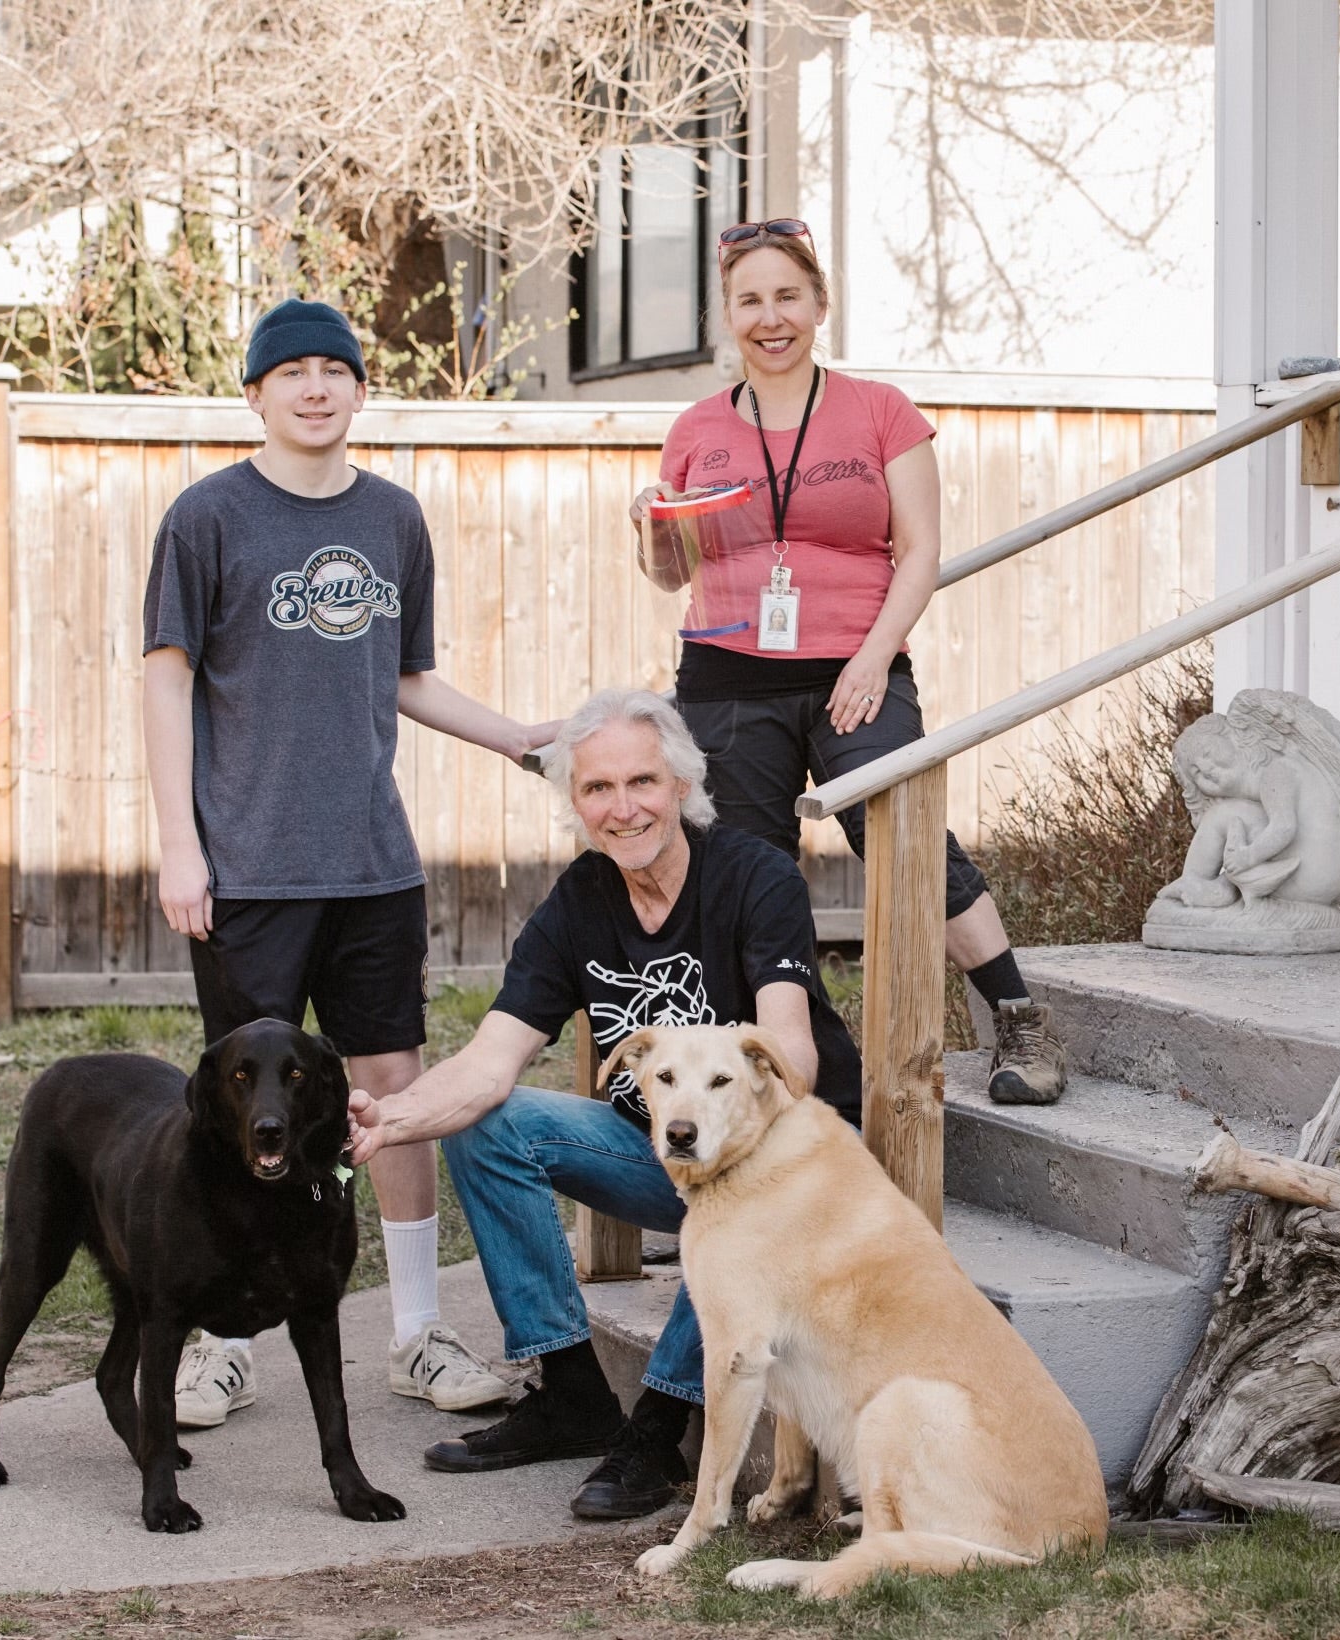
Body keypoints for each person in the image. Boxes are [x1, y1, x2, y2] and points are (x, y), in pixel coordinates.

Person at [142, 298, 556, 1429]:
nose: (316, 388)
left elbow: (406, 677)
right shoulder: (207, 517)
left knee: (391, 1097)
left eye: (336, 369)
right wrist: (182, 845)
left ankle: (417, 1331)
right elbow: (166, 678)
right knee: (246, 1117)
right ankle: (224, 1342)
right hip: (248, 873)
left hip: (373, 866)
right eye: (293, 372)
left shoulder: (393, 519)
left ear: (360, 388)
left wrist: (519, 736)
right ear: (257, 393)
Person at [345, 688, 864, 1521]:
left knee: (735, 1194)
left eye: (642, 783)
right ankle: (572, 1392)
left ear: (684, 787)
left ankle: (658, 1430)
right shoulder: (580, 902)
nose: (623, 810)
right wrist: (390, 1118)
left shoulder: (755, 877)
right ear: (575, 804)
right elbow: (489, 1062)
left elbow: (793, 1053)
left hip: (783, 1168)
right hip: (658, 1154)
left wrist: (735, 1127)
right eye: (597, 790)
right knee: (489, 1124)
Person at [628, 219, 1071, 1105]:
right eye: (749, 301)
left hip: (857, 669)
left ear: (820, 304)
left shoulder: (880, 412)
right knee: (749, 874)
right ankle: (811, 1072)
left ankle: (1019, 1018)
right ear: (729, 317)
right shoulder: (697, 427)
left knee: (904, 838)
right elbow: (673, 572)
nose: (770, 317)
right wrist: (652, 525)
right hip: (724, 679)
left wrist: (871, 661)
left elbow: (920, 552)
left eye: (787, 296)